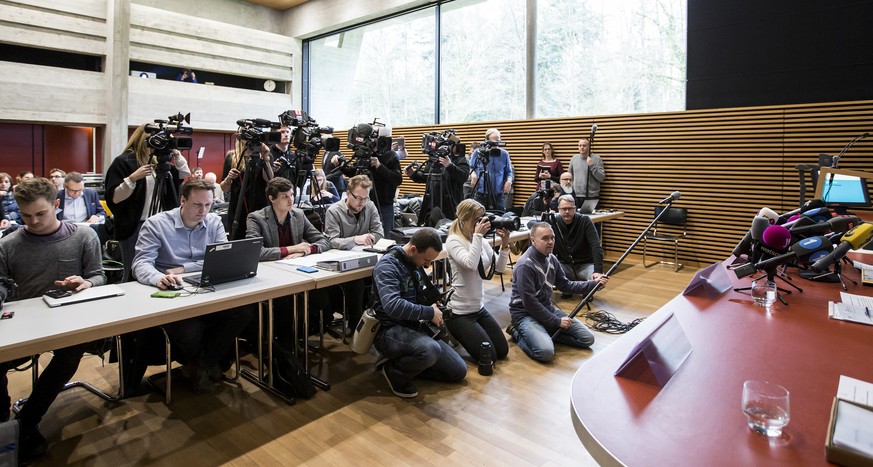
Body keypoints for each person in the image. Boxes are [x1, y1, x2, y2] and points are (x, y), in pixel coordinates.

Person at [0, 177, 106, 461]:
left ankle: (27, 421)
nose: (32, 222)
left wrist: (87, 283)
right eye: (25, 215)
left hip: (68, 321)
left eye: (40, 214)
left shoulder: (84, 236)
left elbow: (99, 275)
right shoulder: (9, 244)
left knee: (70, 354)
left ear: (57, 205)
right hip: (24, 322)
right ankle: (4, 424)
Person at [132, 179, 250, 393]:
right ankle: (206, 366)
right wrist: (158, 277)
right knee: (189, 330)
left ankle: (200, 365)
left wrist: (184, 268)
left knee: (243, 312)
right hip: (172, 292)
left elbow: (221, 258)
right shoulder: (157, 224)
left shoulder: (213, 222)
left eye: (208, 205)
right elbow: (140, 263)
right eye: (197, 205)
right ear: (183, 201)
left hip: (206, 290)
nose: (203, 211)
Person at [372, 228, 466, 398]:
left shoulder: (414, 262)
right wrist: (429, 312)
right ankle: (395, 373)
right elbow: (392, 306)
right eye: (426, 260)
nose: (428, 265)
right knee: (430, 350)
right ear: (413, 249)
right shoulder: (387, 265)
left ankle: (406, 362)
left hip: (414, 326)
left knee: (458, 371)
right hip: (389, 330)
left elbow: (419, 294)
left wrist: (432, 303)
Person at [245, 177, 333, 344]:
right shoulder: (256, 218)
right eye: (285, 196)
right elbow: (255, 252)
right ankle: (282, 344)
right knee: (287, 304)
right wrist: (292, 249)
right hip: (269, 278)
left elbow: (323, 241)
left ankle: (292, 338)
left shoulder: (298, 215)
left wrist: (304, 251)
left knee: (321, 297)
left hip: (295, 272)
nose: (291, 200)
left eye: (292, 194)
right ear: (272, 199)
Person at [507, 222, 608, 363]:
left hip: (546, 309)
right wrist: (556, 322)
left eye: (552, 238)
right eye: (545, 238)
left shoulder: (551, 258)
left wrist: (593, 284)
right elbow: (530, 303)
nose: (550, 242)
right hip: (525, 315)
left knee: (587, 338)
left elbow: (565, 285)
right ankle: (517, 332)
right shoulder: (525, 265)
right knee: (545, 353)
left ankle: (543, 332)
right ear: (533, 240)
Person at [105, 123, 191, 282]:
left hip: (163, 224)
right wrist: (132, 179)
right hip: (135, 225)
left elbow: (184, 173)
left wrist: (176, 154)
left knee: (161, 269)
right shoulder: (125, 161)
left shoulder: (161, 162)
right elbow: (114, 198)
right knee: (135, 271)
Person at [444, 199, 510, 365]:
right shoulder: (454, 241)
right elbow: (471, 265)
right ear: (464, 220)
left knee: (502, 351)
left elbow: (500, 269)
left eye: (483, 218)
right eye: (477, 219)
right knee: (489, 358)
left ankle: (469, 334)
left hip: (478, 308)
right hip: (459, 312)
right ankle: (452, 329)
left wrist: (504, 244)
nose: (482, 223)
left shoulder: (480, 240)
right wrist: (478, 236)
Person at [323, 174, 384, 329]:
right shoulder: (333, 211)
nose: (362, 203)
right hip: (341, 266)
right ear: (348, 193)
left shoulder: (369, 206)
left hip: (366, 259)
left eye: (366, 198)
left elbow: (379, 233)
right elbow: (332, 241)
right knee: (356, 283)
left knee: (384, 274)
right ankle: (357, 326)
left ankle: (380, 320)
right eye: (358, 198)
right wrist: (355, 239)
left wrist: (370, 237)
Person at [549, 195, 604, 299]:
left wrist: (598, 271)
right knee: (551, 269)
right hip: (565, 265)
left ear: (575, 209)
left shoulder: (585, 221)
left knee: (599, 281)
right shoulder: (553, 222)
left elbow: (596, 246)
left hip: (585, 265)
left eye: (570, 209)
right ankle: (568, 288)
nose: (567, 212)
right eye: (564, 209)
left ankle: (584, 288)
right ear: (558, 210)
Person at [404, 139, 470, 222]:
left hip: (451, 202)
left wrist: (450, 166)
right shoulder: (433, 160)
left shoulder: (459, 159)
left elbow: (463, 177)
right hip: (432, 201)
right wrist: (413, 174)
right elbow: (426, 177)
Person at [221, 137, 274, 240]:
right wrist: (228, 179)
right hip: (238, 208)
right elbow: (224, 188)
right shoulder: (232, 156)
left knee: (261, 240)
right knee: (238, 241)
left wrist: (265, 157)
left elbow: (269, 179)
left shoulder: (265, 156)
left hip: (260, 207)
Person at [469, 128, 514, 211]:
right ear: (487, 141)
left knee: (499, 218)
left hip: (498, 195)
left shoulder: (504, 154)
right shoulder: (478, 152)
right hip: (481, 193)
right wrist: (473, 175)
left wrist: (509, 181)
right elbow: (471, 167)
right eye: (493, 141)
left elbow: (509, 172)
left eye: (498, 140)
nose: (496, 144)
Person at [369, 131, 403, 234]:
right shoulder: (365, 153)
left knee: (386, 236)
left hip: (384, 205)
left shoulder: (390, 155)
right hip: (365, 203)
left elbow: (397, 179)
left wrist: (379, 166)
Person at [568, 137, 606, 209]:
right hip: (576, 195)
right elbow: (569, 175)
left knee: (592, 219)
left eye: (584, 145)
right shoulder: (574, 158)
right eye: (580, 145)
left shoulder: (596, 159)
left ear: (589, 147)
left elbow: (601, 178)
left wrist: (592, 166)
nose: (582, 147)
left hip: (591, 196)